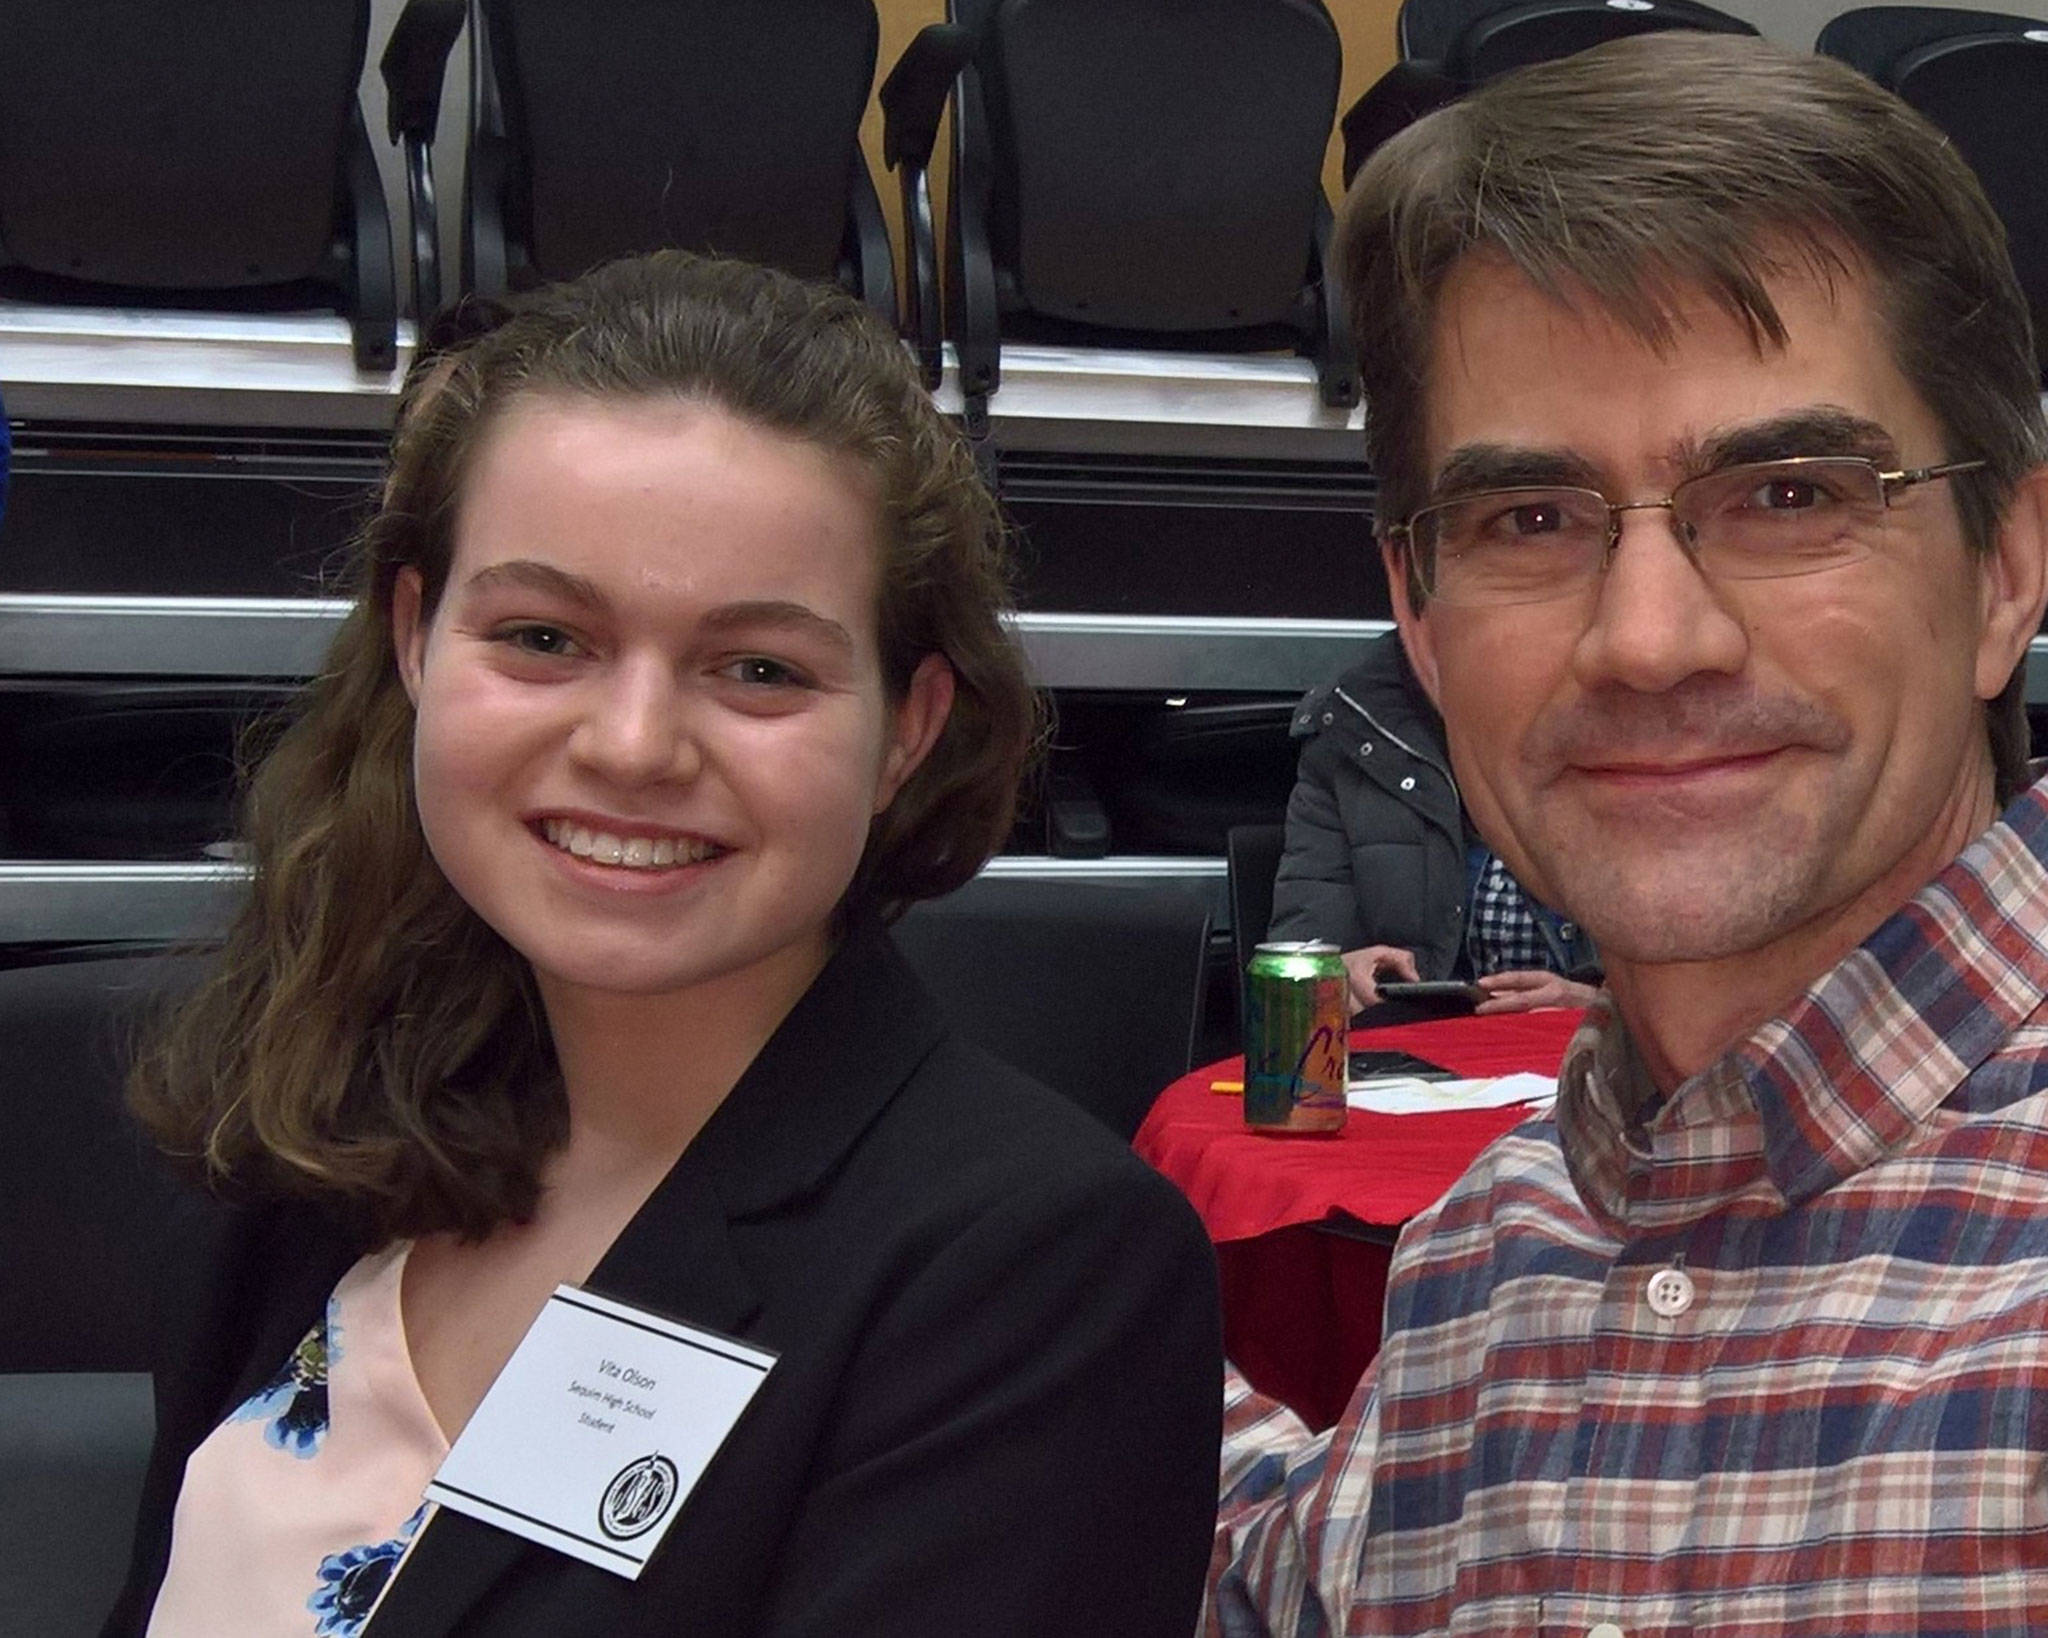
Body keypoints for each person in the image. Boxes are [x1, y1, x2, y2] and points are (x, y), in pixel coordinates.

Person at [103, 252, 1222, 1637]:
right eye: (543, 635)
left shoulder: (1036, 1276)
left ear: (908, 729)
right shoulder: (314, 1134)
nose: (631, 745)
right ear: (414, 637)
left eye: (758, 668)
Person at [1208, 32, 2048, 1636]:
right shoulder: (1485, 1259)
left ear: (2003, 567)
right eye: (1530, 519)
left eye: (1791, 493)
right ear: (1423, 616)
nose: (1650, 640)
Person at [1271, 627, 1600, 1013]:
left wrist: (1599, 1007)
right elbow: (1294, 975)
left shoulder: (1628, 696)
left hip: (1593, 1057)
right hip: (1415, 1053)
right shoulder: (1353, 719)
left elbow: (1685, 996)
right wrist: (1336, 977)